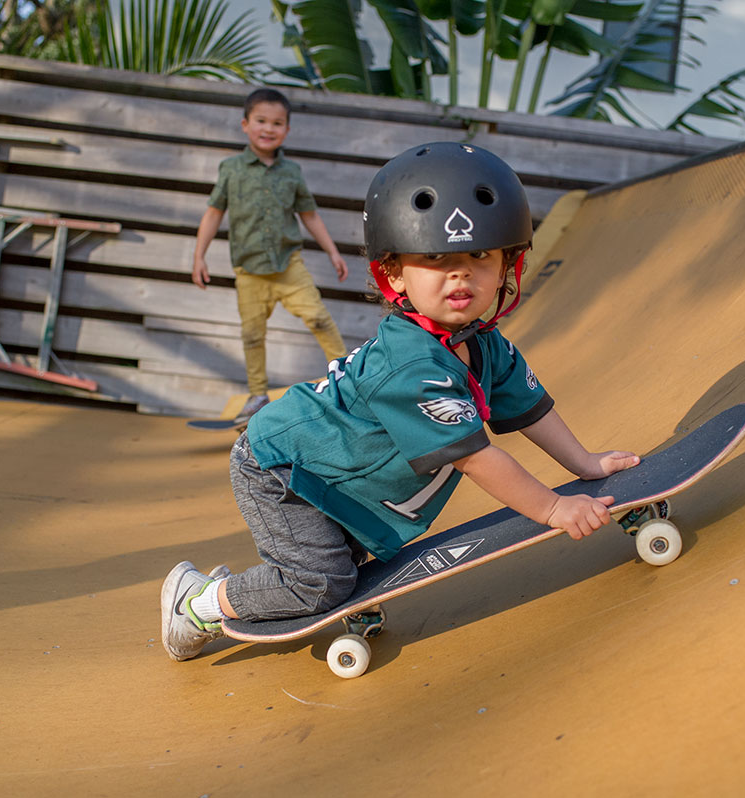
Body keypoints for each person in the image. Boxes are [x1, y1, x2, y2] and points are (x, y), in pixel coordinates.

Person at [163, 141, 640, 661]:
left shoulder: (482, 344)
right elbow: (474, 457)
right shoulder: (412, 365)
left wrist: (585, 463)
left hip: (332, 469)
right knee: (317, 586)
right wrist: (551, 507)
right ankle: (196, 604)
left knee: (337, 571)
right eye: (436, 258)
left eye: (480, 256)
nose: (461, 274)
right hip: (280, 469)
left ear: (508, 264)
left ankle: (248, 586)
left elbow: (531, 410)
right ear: (394, 275)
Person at [192, 87, 349, 425]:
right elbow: (214, 212)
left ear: (287, 131)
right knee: (252, 335)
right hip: (249, 271)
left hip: (288, 266)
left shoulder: (292, 173)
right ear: (245, 124)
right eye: (261, 121)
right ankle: (257, 394)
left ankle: (346, 379)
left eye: (277, 123)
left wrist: (333, 252)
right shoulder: (231, 169)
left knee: (320, 318)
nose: (268, 129)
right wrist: (199, 256)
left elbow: (309, 215)